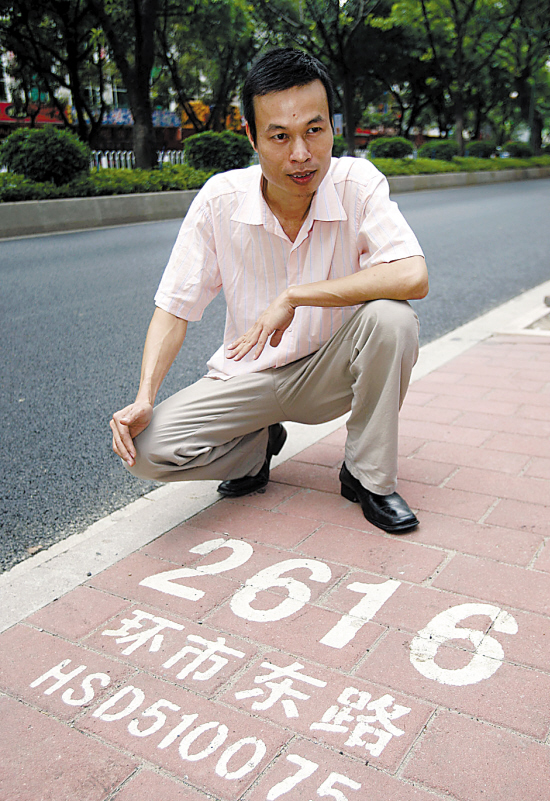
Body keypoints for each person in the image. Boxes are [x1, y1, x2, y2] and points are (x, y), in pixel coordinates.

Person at [110, 48, 429, 534]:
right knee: (146, 450)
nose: (300, 154)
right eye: (280, 136)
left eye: (314, 130)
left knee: (393, 318)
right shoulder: (220, 200)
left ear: (332, 127)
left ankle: (367, 476)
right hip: (250, 376)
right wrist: (145, 395)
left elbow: (412, 275)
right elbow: (174, 307)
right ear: (252, 137)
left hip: (330, 372)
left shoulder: (357, 183)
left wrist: (296, 295)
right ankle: (255, 449)